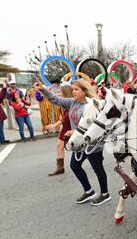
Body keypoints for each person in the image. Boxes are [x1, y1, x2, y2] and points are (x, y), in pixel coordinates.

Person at [34, 78, 111, 206]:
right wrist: (43, 90)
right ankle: (89, 191)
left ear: (84, 91)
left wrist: (74, 132)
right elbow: (56, 100)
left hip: (92, 143)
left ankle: (105, 194)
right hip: (79, 143)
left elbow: (95, 126)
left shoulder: (92, 105)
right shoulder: (72, 103)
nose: (73, 91)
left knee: (98, 168)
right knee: (74, 166)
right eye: (72, 89)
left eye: (76, 89)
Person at [45, 85, 73, 176]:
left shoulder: (71, 102)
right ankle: (60, 168)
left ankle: (95, 157)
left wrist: (54, 125)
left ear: (65, 93)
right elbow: (54, 99)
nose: (59, 93)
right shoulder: (66, 102)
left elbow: (66, 117)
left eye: (61, 92)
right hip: (66, 126)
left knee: (80, 147)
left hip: (70, 126)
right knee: (59, 146)